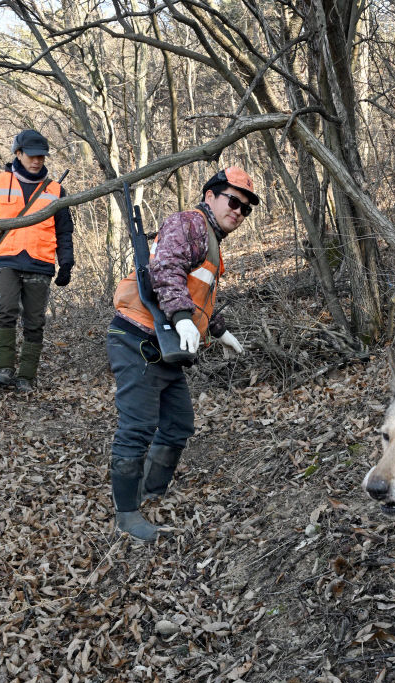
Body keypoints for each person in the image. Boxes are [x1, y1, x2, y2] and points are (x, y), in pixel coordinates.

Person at [107, 166, 258, 542]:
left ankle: (150, 491)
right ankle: (127, 515)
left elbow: (197, 296)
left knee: (178, 424)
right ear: (210, 196)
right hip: (137, 337)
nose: (238, 211)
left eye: (246, 208)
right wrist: (180, 317)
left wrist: (218, 329)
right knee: (138, 427)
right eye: (233, 201)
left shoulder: (210, 242)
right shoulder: (188, 223)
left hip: (167, 345)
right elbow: (166, 270)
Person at [0, 129, 74, 392]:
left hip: (40, 261)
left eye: (41, 156)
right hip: (5, 258)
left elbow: (64, 231)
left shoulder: (55, 189)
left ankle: (26, 376)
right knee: (5, 311)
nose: (37, 161)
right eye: (31, 156)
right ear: (18, 153)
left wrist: (67, 262)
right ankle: (4, 369)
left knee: (35, 321)